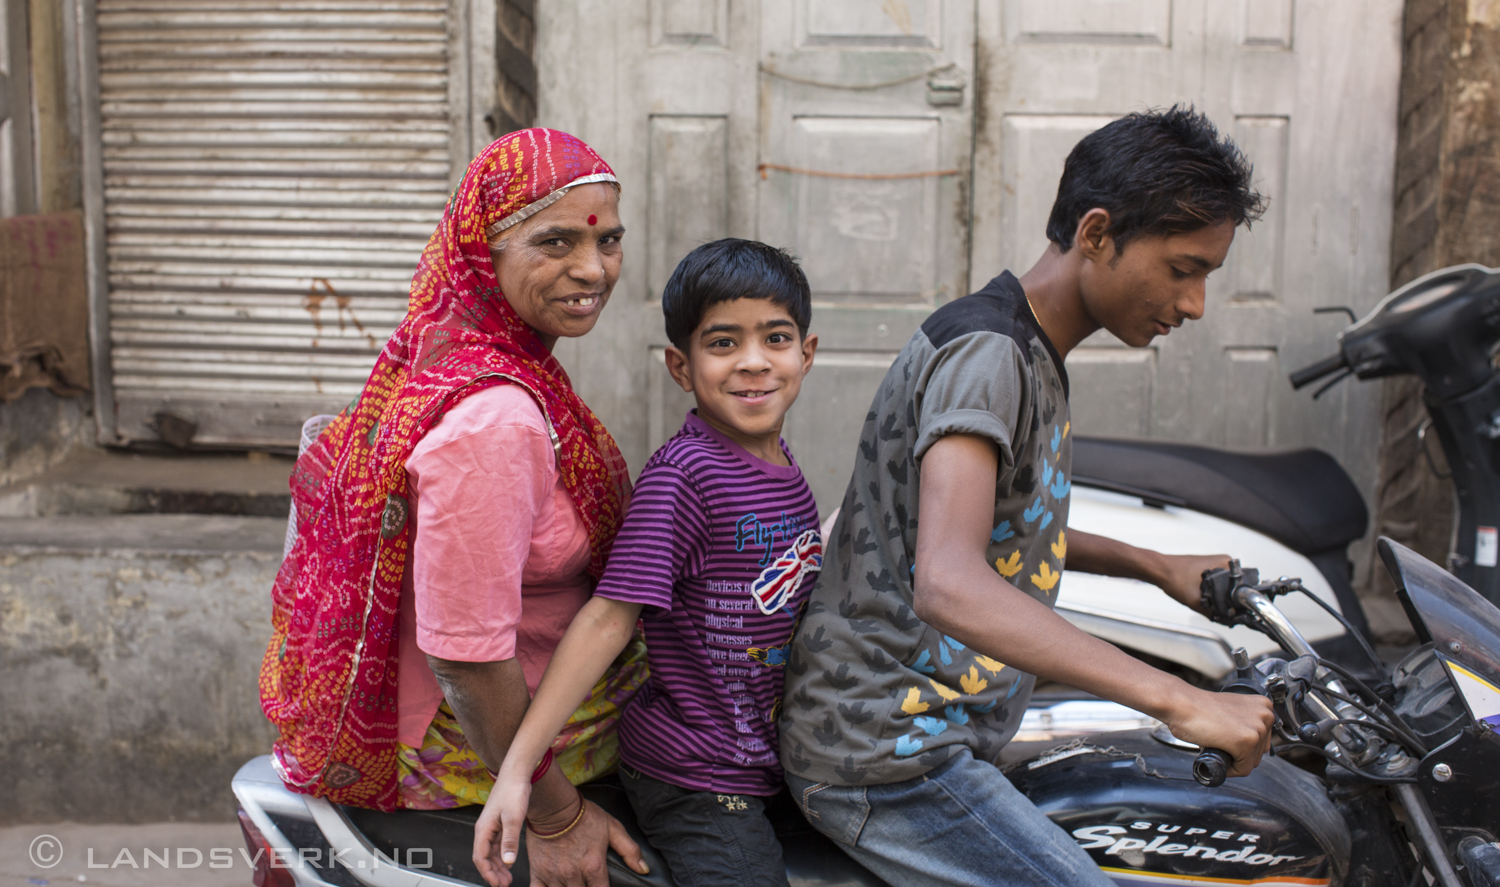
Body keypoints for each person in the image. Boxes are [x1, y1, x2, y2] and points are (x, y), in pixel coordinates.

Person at [777, 107, 1279, 887]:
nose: (1195, 304)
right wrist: (1179, 699)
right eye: (1185, 268)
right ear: (1098, 233)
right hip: (887, 749)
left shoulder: (1027, 345)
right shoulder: (991, 355)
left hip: (934, 726)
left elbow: (1005, 523)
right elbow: (949, 579)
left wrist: (1154, 564)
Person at [259, 128, 652, 883]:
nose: (593, 268)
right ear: (485, 252)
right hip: (488, 753)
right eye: (556, 242)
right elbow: (467, 660)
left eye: (609, 242)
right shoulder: (495, 419)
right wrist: (558, 816)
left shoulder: (466, 356)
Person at [476, 239, 823, 887]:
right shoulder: (686, 476)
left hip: (757, 752)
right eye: (722, 344)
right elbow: (608, 618)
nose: (753, 363)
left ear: (806, 353)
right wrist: (519, 767)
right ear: (681, 367)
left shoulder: (781, 468)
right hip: (696, 770)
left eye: (775, 338)